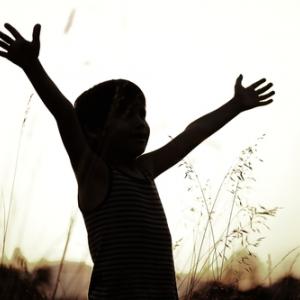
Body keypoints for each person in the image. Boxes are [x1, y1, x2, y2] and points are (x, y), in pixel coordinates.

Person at [0, 23, 275, 300]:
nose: (141, 124)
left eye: (142, 115)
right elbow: (65, 115)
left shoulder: (145, 170)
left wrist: (235, 105)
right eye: (128, 115)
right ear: (94, 130)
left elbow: (192, 134)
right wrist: (31, 65)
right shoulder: (96, 176)